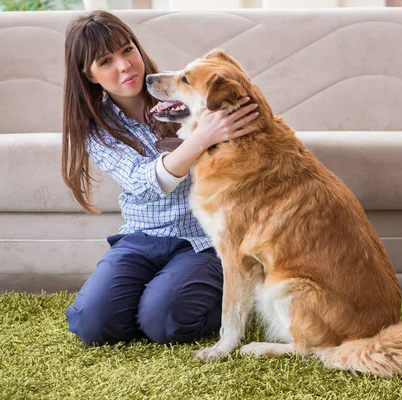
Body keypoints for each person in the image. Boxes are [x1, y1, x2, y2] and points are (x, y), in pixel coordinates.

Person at [61, 10, 259, 346]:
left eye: (127, 50)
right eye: (106, 61)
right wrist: (202, 138)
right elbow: (143, 183)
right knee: (91, 323)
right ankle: (159, 297)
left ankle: (216, 299)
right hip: (142, 237)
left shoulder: (180, 90)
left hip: (200, 240)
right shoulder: (95, 129)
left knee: (164, 321)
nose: (125, 66)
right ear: (90, 75)